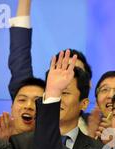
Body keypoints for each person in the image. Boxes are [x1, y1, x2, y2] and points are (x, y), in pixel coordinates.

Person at [8, 0, 93, 135]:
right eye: (60, 72)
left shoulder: (97, 124)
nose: (65, 79)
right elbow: (19, 58)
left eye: (74, 72)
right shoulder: (37, 101)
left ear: (88, 85)